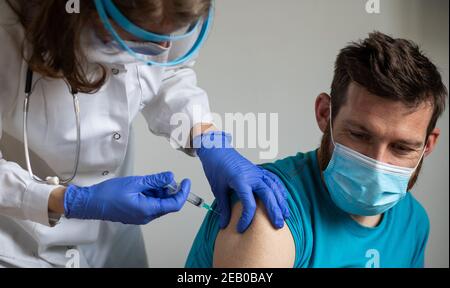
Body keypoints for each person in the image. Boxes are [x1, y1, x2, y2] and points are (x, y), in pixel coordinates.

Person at [0, 0, 288, 268]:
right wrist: (70, 201)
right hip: (19, 240)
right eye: (143, 38)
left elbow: (168, 72)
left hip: (112, 241)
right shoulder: (7, 32)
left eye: (170, 37)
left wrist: (206, 137)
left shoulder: (173, 13)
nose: (163, 46)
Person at [185, 32, 448, 268]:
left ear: (428, 144)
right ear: (325, 113)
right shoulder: (269, 210)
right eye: (359, 135)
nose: (377, 164)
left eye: (402, 148)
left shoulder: (413, 223)